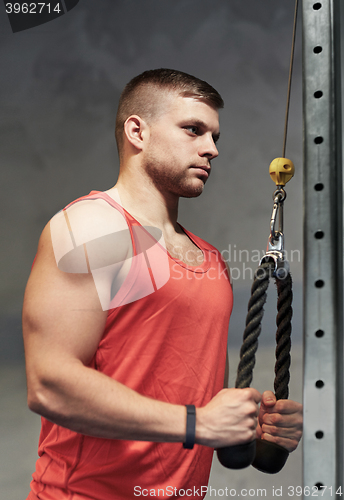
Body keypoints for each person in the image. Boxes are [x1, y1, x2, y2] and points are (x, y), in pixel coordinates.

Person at [22, 68, 302, 500]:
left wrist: (254, 429)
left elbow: (195, 398)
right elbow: (50, 383)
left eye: (215, 137)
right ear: (138, 131)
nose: (211, 149)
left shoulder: (210, 259)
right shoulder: (95, 227)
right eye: (193, 130)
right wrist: (199, 423)